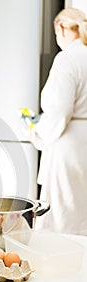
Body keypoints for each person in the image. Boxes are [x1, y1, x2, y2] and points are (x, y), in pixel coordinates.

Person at [29, 7, 87, 235]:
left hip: (69, 148)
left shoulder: (67, 59)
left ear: (62, 28)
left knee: (64, 216)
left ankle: (63, 267)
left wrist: (37, 134)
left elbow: (60, 111)